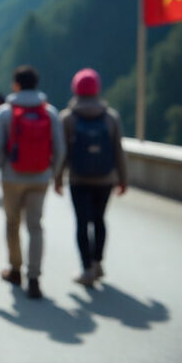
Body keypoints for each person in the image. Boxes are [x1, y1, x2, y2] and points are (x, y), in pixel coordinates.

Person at [0, 65, 64, 299]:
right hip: (40, 177)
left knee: (12, 223)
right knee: (36, 227)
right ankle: (35, 277)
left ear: (16, 84)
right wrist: (54, 174)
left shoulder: (5, 112)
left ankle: (16, 270)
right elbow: (60, 148)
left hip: (11, 178)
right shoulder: (49, 112)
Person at [54, 68, 127, 287]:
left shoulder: (67, 117)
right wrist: (123, 178)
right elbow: (118, 150)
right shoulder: (110, 117)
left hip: (78, 179)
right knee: (100, 220)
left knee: (82, 223)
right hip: (106, 179)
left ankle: (86, 269)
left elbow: (62, 152)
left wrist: (57, 178)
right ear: (97, 88)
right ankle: (98, 262)